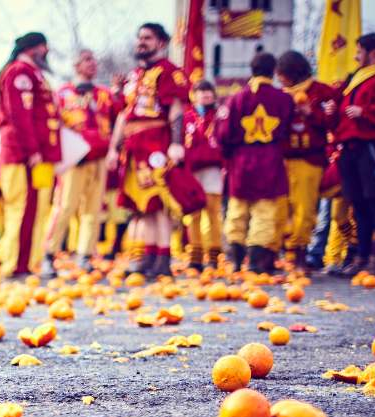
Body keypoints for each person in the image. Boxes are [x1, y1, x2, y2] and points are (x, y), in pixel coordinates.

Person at [106, 23, 191, 278]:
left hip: (156, 146)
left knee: (159, 203)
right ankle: (149, 257)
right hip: (133, 150)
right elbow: (124, 115)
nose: (141, 42)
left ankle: (163, 260)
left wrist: (176, 143)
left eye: (148, 38)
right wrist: (113, 148)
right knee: (142, 207)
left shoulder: (170, 72)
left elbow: (176, 110)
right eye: (139, 37)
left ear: (161, 43)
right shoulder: (134, 76)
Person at [217, 52, 293, 273]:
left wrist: (230, 154)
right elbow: (288, 131)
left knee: (237, 209)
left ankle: (235, 259)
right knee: (264, 210)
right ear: (273, 72)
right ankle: (258, 262)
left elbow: (223, 134)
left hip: (241, 160)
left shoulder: (237, 99)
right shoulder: (284, 99)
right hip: (270, 159)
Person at [43, 49, 117, 269]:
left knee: (93, 210)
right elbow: (54, 123)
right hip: (75, 158)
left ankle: (85, 254)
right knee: (65, 206)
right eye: (86, 60)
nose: (92, 63)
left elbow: (117, 118)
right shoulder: (63, 93)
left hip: (99, 158)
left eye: (94, 59)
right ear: (76, 65)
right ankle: (49, 252)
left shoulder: (104, 94)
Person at [0, 32, 60, 276]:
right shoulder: (19, 72)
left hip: (43, 157)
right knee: (21, 208)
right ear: (35, 48)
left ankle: (29, 261)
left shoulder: (34, 74)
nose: (47, 54)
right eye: (45, 48)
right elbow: (19, 115)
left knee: (40, 208)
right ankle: (15, 263)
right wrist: (32, 150)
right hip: (24, 156)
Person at [272, 51, 338, 270]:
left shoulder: (322, 92)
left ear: (293, 73)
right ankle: (284, 250)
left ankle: (300, 253)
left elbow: (334, 123)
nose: (280, 79)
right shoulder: (279, 95)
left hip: (309, 159)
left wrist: (311, 113)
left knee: (304, 208)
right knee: (281, 208)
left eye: (282, 75)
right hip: (282, 160)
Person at [332, 33, 375, 276]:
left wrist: (366, 111)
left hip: (373, 146)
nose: (355, 56)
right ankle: (361, 256)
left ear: (372, 52)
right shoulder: (355, 78)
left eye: (359, 50)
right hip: (350, 148)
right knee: (358, 204)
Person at [182, 80, 224, 269]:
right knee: (193, 213)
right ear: (194, 95)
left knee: (213, 211)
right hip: (191, 170)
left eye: (209, 92)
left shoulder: (221, 116)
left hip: (213, 169)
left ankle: (214, 254)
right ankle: (195, 254)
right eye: (201, 92)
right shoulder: (186, 117)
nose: (205, 95)